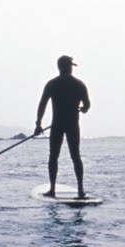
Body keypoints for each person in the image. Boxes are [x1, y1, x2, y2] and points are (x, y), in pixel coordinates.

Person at [34, 55, 90, 199]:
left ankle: (52, 189)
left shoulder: (52, 84)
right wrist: (83, 109)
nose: (72, 68)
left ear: (59, 67)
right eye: (71, 66)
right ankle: (80, 190)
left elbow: (42, 105)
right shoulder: (79, 84)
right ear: (66, 66)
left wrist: (38, 124)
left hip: (57, 125)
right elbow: (87, 105)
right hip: (72, 125)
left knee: (53, 157)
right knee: (76, 156)